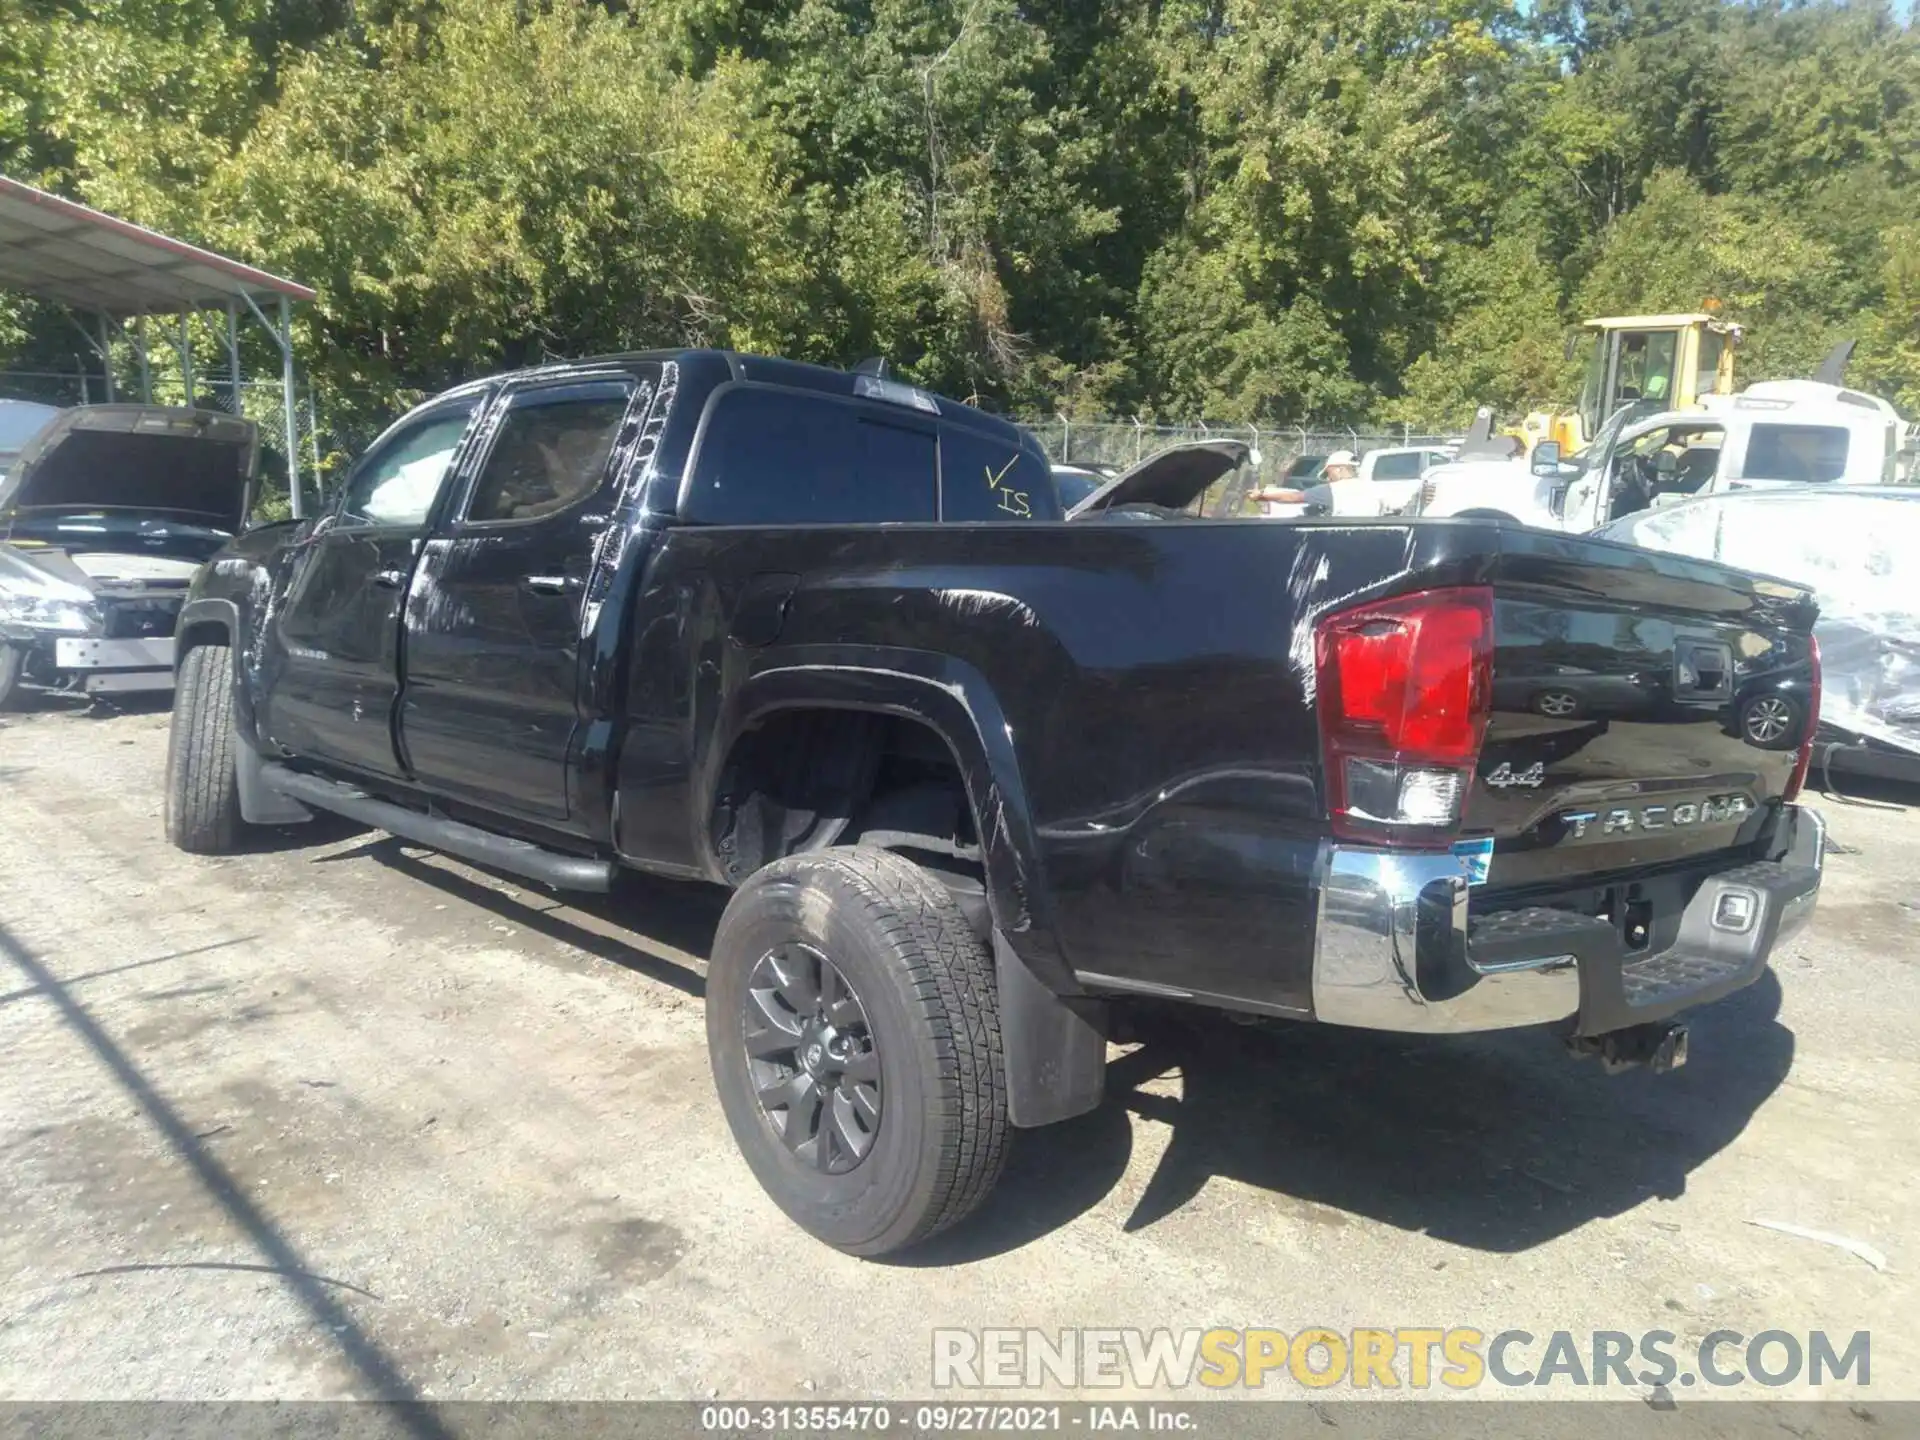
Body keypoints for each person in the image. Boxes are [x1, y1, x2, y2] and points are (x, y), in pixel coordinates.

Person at [1247, 449, 1361, 517]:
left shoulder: (1333, 490)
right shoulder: (1374, 487)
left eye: (1328, 473)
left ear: (1339, 469)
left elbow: (1293, 497)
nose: (1328, 479)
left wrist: (1261, 496)